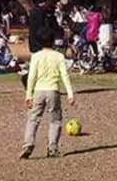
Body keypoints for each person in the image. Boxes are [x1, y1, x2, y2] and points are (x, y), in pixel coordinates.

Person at [20, 29, 76, 159]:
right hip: (53, 90)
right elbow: (64, 75)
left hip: (38, 91)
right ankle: (52, 148)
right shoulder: (58, 56)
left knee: (33, 119)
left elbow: (31, 77)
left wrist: (28, 95)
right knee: (55, 120)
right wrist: (70, 93)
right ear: (53, 42)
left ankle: (28, 144)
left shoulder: (36, 56)